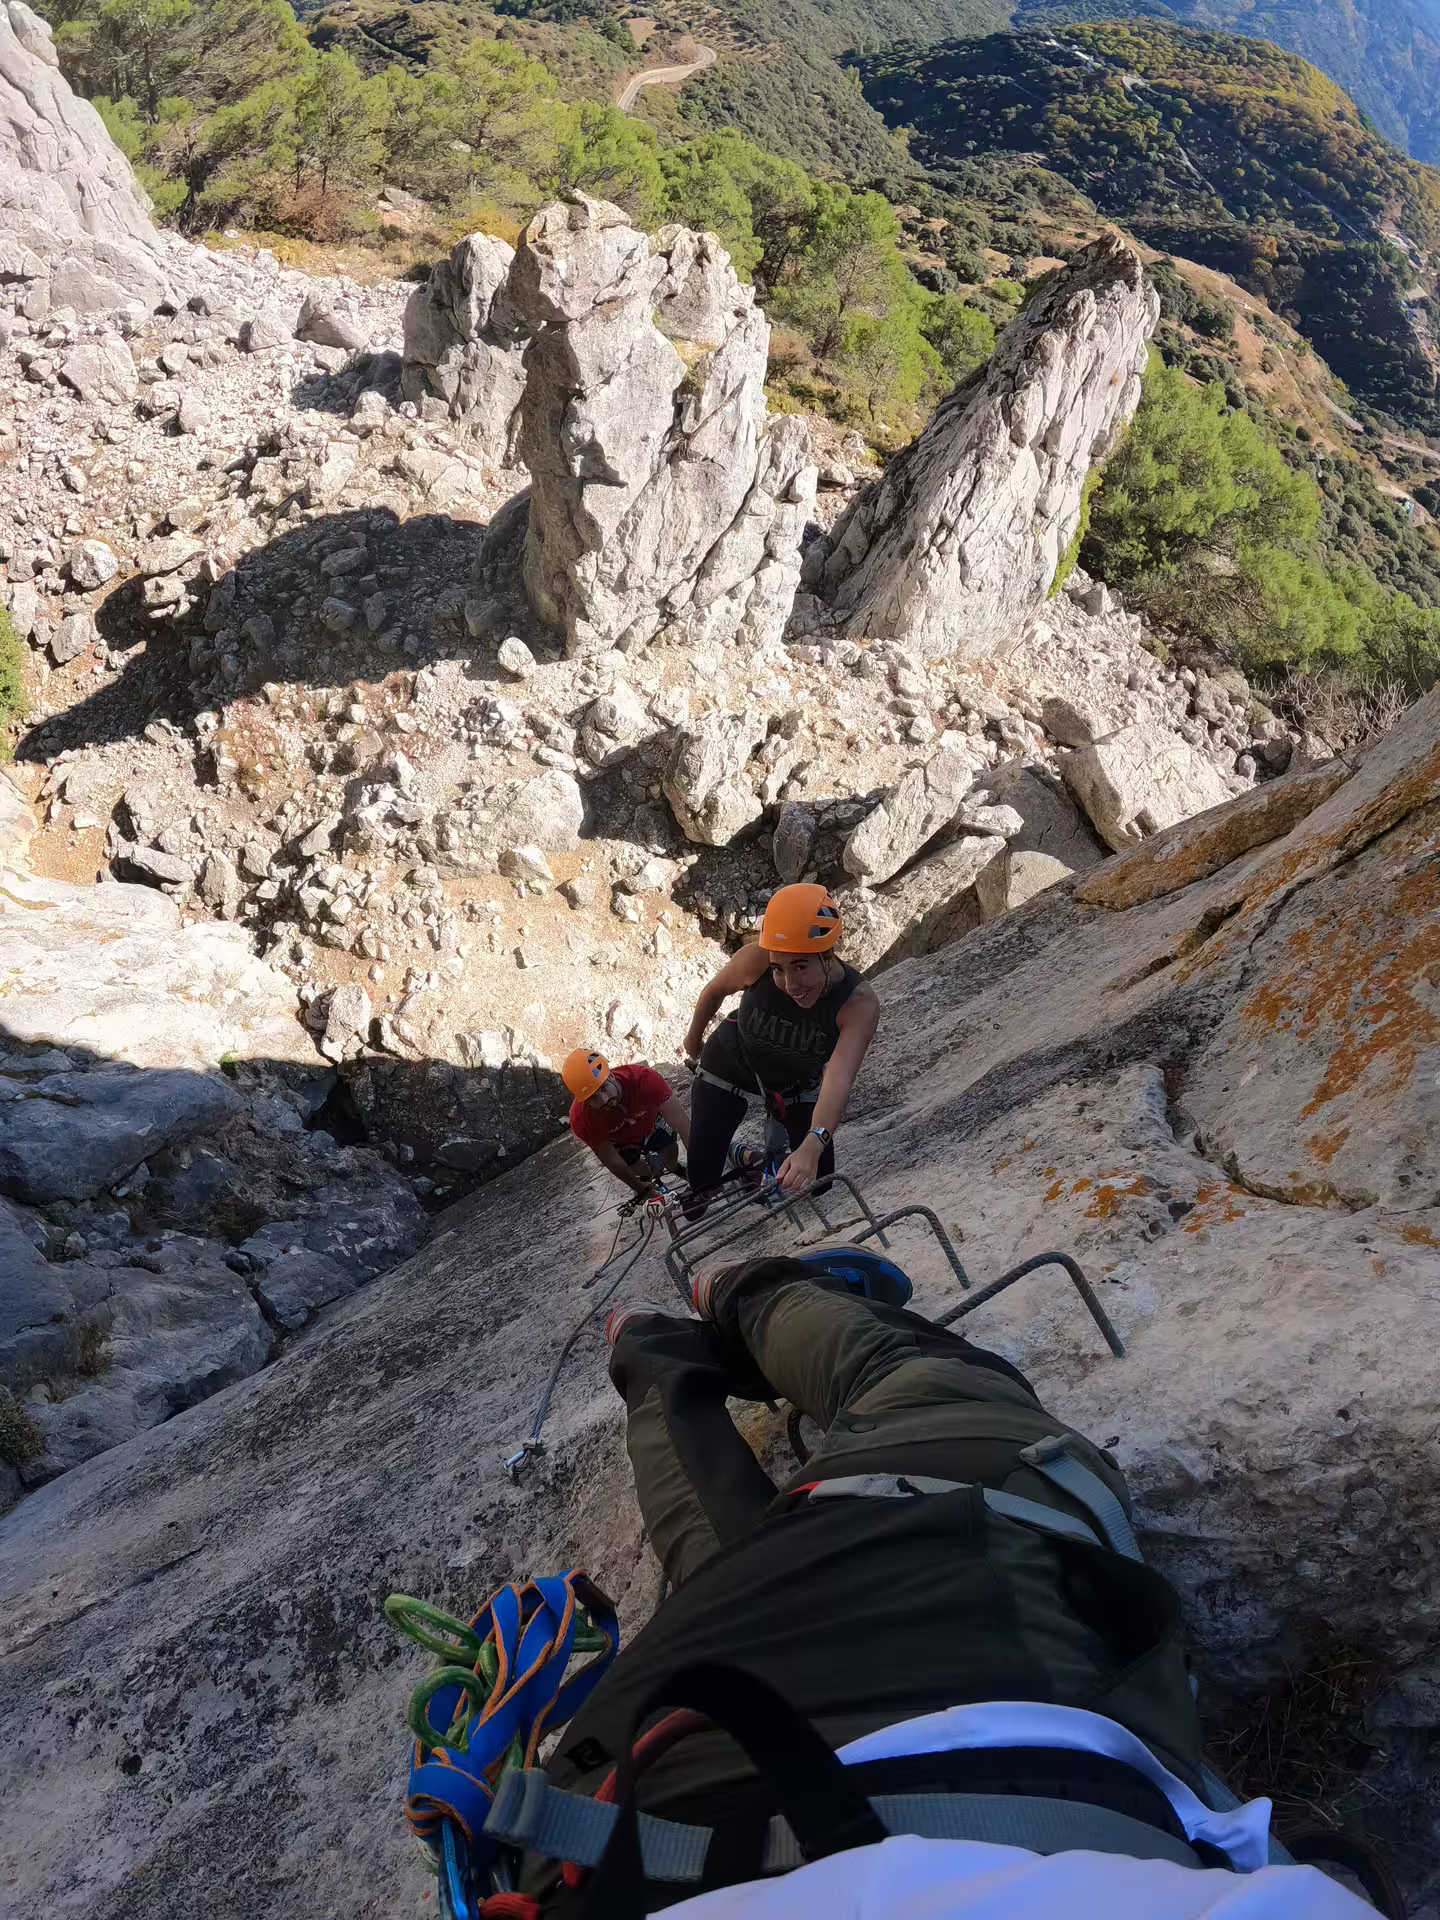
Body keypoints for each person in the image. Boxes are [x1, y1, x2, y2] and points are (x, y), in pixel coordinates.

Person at [506, 1255, 1382, 1918]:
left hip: (650, 1810)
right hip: (623, 1801)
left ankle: (688, 1325)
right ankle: (709, 1311)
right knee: (895, 1411)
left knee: (910, 1408)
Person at [681, 883, 879, 1202]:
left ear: (827, 956)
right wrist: (694, 1040)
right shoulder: (756, 960)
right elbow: (714, 991)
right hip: (729, 1063)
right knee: (701, 1189)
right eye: (778, 969)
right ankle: (742, 1158)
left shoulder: (857, 1004)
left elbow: (839, 1078)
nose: (790, 985)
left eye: (801, 966)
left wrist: (814, 1143)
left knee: (816, 1183)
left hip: (793, 1085)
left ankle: (755, 1164)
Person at [564, 1048, 691, 1199]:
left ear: (610, 1075)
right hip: (622, 1140)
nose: (604, 1099)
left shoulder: (644, 1079)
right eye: (593, 1097)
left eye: (603, 1088)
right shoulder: (581, 1119)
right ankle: (649, 1179)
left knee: (670, 1153)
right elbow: (611, 1159)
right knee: (641, 1170)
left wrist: (701, 1166)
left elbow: (682, 1123)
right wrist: (642, 1190)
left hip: (650, 1121)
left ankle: (674, 1166)